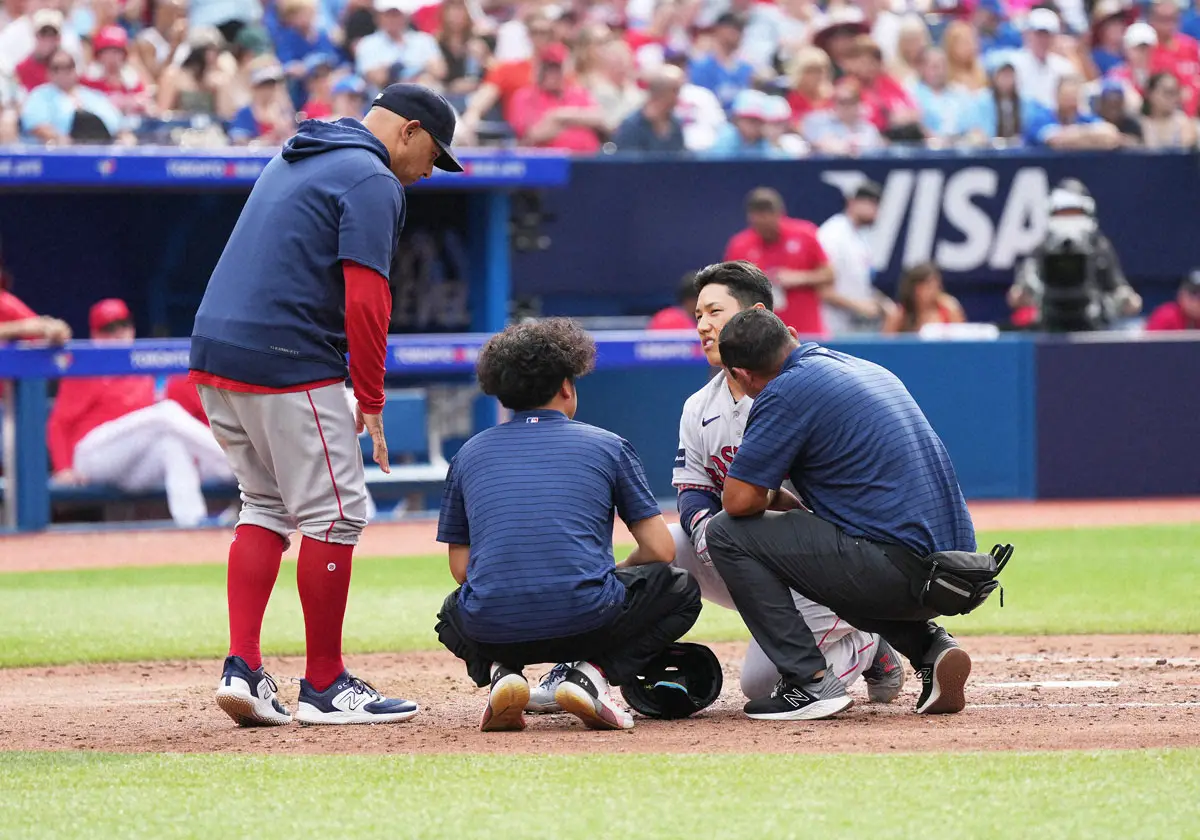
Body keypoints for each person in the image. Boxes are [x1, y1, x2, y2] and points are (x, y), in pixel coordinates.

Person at [189, 83, 463, 728]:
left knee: (265, 505)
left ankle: (244, 668)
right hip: (288, 357)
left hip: (214, 352)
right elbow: (367, 298)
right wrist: (370, 397)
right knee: (337, 514)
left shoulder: (299, 152)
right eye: (433, 155)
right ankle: (324, 683)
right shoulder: (372, 176)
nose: (428, 172)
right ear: (410, 131)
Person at [704, 307, 983, 720]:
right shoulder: (865, 367)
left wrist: (779, 500)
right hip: (957, 571)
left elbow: (737, 502)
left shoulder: (785, 391)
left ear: (741, 375)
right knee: (835, 547)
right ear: (792, 334)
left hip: (899, 569)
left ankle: (810, 681)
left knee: (726, 532)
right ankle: (930, 647)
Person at [434, 318, 701, 732]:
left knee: (451, 611)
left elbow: (461, 570)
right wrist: (614, 574)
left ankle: (503, 673)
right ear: (565, 387)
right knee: (680, 589)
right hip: (590, 620)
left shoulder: (468, 454)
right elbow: (662, 551)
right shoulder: (608, 445)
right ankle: (589, 676)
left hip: (491, 628)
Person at [654, 262, 901, 706]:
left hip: (819, 567)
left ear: (757, 314)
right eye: (698, 316)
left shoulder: (804, 388)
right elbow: (693, 487)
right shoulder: (698, 405)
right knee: (662, 546)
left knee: (762, 688)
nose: (704, 326)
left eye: (715, 311)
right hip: (745, 555)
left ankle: (867, 642)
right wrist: (705, 532)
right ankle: (591, 668)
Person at [47, 299, 231, 527]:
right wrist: (63, 468)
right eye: (108, 329)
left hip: (127, 460)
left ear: (132, 328)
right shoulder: (87, 367)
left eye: (122, 325)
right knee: (164, 413)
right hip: (91, 455)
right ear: (95, 335)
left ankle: (192, 522)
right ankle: (238, 462)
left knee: (171, 444)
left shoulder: (141, 368)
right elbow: (58, 423)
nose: (118, 333)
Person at [1008, 178, 1142, 331]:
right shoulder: (1043, 249)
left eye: (1074, 212)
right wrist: (1022, 294)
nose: (1068, 218)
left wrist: (1125, 299)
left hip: (1092, 324)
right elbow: (1019, 291)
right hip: (1050, 323)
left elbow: (1119, 288)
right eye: (1063, 212)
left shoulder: (1100, 247)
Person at [723, 187, 833, 336]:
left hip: (806, 330)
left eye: (768, 223)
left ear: (779, 214)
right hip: (760, 334)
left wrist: (799, 277)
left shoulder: (805, 234)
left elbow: (829, 274)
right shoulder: (739, 245)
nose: (764, 229)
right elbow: (729, 288)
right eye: (759, 225)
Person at [817, 180, 889, 335]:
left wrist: (882, 304)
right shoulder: (832, 235)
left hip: (853, 327)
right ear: (852, 202)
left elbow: (857, 285)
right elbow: (822, 289)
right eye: (872, 204)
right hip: (831, 327)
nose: (876, 211)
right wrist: (859, 306)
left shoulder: (860, 238)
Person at [611, 63, 686, 153]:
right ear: (662, 92)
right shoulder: (632, 126)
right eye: (676, 91)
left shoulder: (675, 123)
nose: (678, 97)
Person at [882, 262, 967, 333]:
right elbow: (886, 347)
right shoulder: (899, 315)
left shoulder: (949, 310)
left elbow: (961, 342)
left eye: (934, 286)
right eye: (925, 287)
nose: (931, 291)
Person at [1140, 71, 1198, 148]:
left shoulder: (1184, 123)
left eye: (1175, 93)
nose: (1173, 98)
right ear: (1150, 94)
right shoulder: (1142, 124)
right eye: (1167, 92)